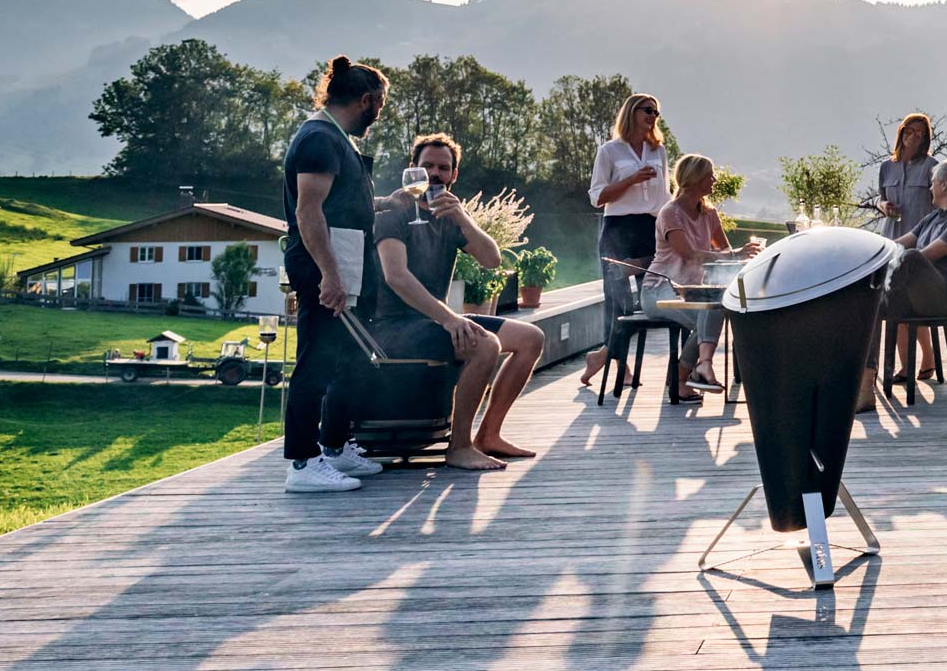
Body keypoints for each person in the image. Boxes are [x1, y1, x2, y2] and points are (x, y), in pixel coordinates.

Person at [373, 133, 546, 471]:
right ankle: (459, 447)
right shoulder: (394, 214)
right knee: (485, 345)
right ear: (413, 170)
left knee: (531, 338)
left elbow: (492, 260)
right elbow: (397, 277)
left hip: (434, 320)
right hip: (394, 325)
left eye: (443, 168)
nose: (435, 174)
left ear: (453, 175)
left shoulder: (450, 219)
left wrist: (464, 218)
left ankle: (489, 435)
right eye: (427, 166)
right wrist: (451, 319)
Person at [282, 55, 397, 493]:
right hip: (326, 266)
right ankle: (302, 463)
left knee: (349, 360)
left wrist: (389, 203)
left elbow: (342, 205)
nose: (378, 114)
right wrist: (329, 276)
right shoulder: (319, 138)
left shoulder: (335, 138)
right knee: (316, 363)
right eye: (380, 105)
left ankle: (334, 447)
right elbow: (308, 211)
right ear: (366, 100)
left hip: (347, 262)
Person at [858, 159, 947, 412]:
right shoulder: (933, 217)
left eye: (933, 182)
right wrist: (869, 252)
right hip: (914, 295)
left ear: (943, 185)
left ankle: (878, 291)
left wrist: (885, 270)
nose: (930, 187)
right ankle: (865, 384)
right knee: (871, 302)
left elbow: (925, 257)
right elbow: (896, 245)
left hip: (943, 298)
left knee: (912, 258)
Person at [640, 154, 762, 399]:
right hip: (659, 290)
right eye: (710, 175)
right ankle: (687, 375)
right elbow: (690, 255)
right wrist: (734, 254)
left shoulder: (709, 213)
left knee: (714, 307)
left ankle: (697, 368)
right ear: (695, 179)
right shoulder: (670, 213)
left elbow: (724, 251)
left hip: (691, 292)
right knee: (707, 317)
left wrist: (746, 258)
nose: (714, 180)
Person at [579, 93, 669, 387]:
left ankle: (603, 354)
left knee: (652, 299)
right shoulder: (609, 151)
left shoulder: (658, 151)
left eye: (656, 112)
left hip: (650, 228)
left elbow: (665, 196)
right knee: (618, 301)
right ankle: (621, 366)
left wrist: (669, 228)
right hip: (618, 228)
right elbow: (597, 197)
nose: (653, 116)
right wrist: (631, 180)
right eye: (648, 110)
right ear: (632, 112)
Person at [877, 113, 939, 382]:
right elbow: (880, 199)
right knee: (895, 305)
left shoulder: (933, 167)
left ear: (925, 139)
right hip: (890, 243)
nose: (914, 136)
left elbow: (941, 206)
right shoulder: (886, 167)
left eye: (920, 133)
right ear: (901, 132)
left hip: (920, 248)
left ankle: (912, 365)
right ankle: (920, 361)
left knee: (909, 306)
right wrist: (884, 206)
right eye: (910, 131)